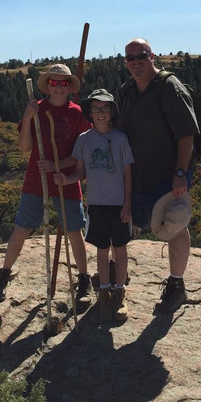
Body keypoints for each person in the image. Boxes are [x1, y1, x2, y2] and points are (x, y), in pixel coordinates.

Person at [0, 64, 93, 303]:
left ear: (69, 86)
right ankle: (3, 276)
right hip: (37, 180)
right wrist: (27, 117)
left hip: (66, 180)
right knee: (22, 228)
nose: (59, 87)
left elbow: (81, 155)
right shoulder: (37, 109)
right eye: (54, 83)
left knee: (74, 231)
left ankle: (84, 281)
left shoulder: (78, 114)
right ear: (47, 85)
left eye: (63, 83)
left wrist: (56, 165)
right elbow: (24, 147)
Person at [117, 38, 199, 313]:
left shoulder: (169, 87)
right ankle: (118, 275)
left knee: (175, 224)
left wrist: (180, 173)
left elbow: (187, 134)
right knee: (123, 219)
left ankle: (176, 285)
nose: (136, 62)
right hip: (138, 174)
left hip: (168, 175)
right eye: (130, 58)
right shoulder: (128, 91)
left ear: (151, 56)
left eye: (141, 55)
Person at [54, 89, 134, 323]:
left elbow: (128, 174)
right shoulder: (84, 140)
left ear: (111, 112)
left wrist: (127, 205)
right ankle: (105, 293)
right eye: (96, 108)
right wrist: (66, 179)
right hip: (97, 204)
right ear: (90, 112)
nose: (100, 113)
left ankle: (120, 293)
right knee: (102, 248)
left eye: (105, 108)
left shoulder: (121, 139)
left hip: (118, 203)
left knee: (120, 249)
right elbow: (80, 171)